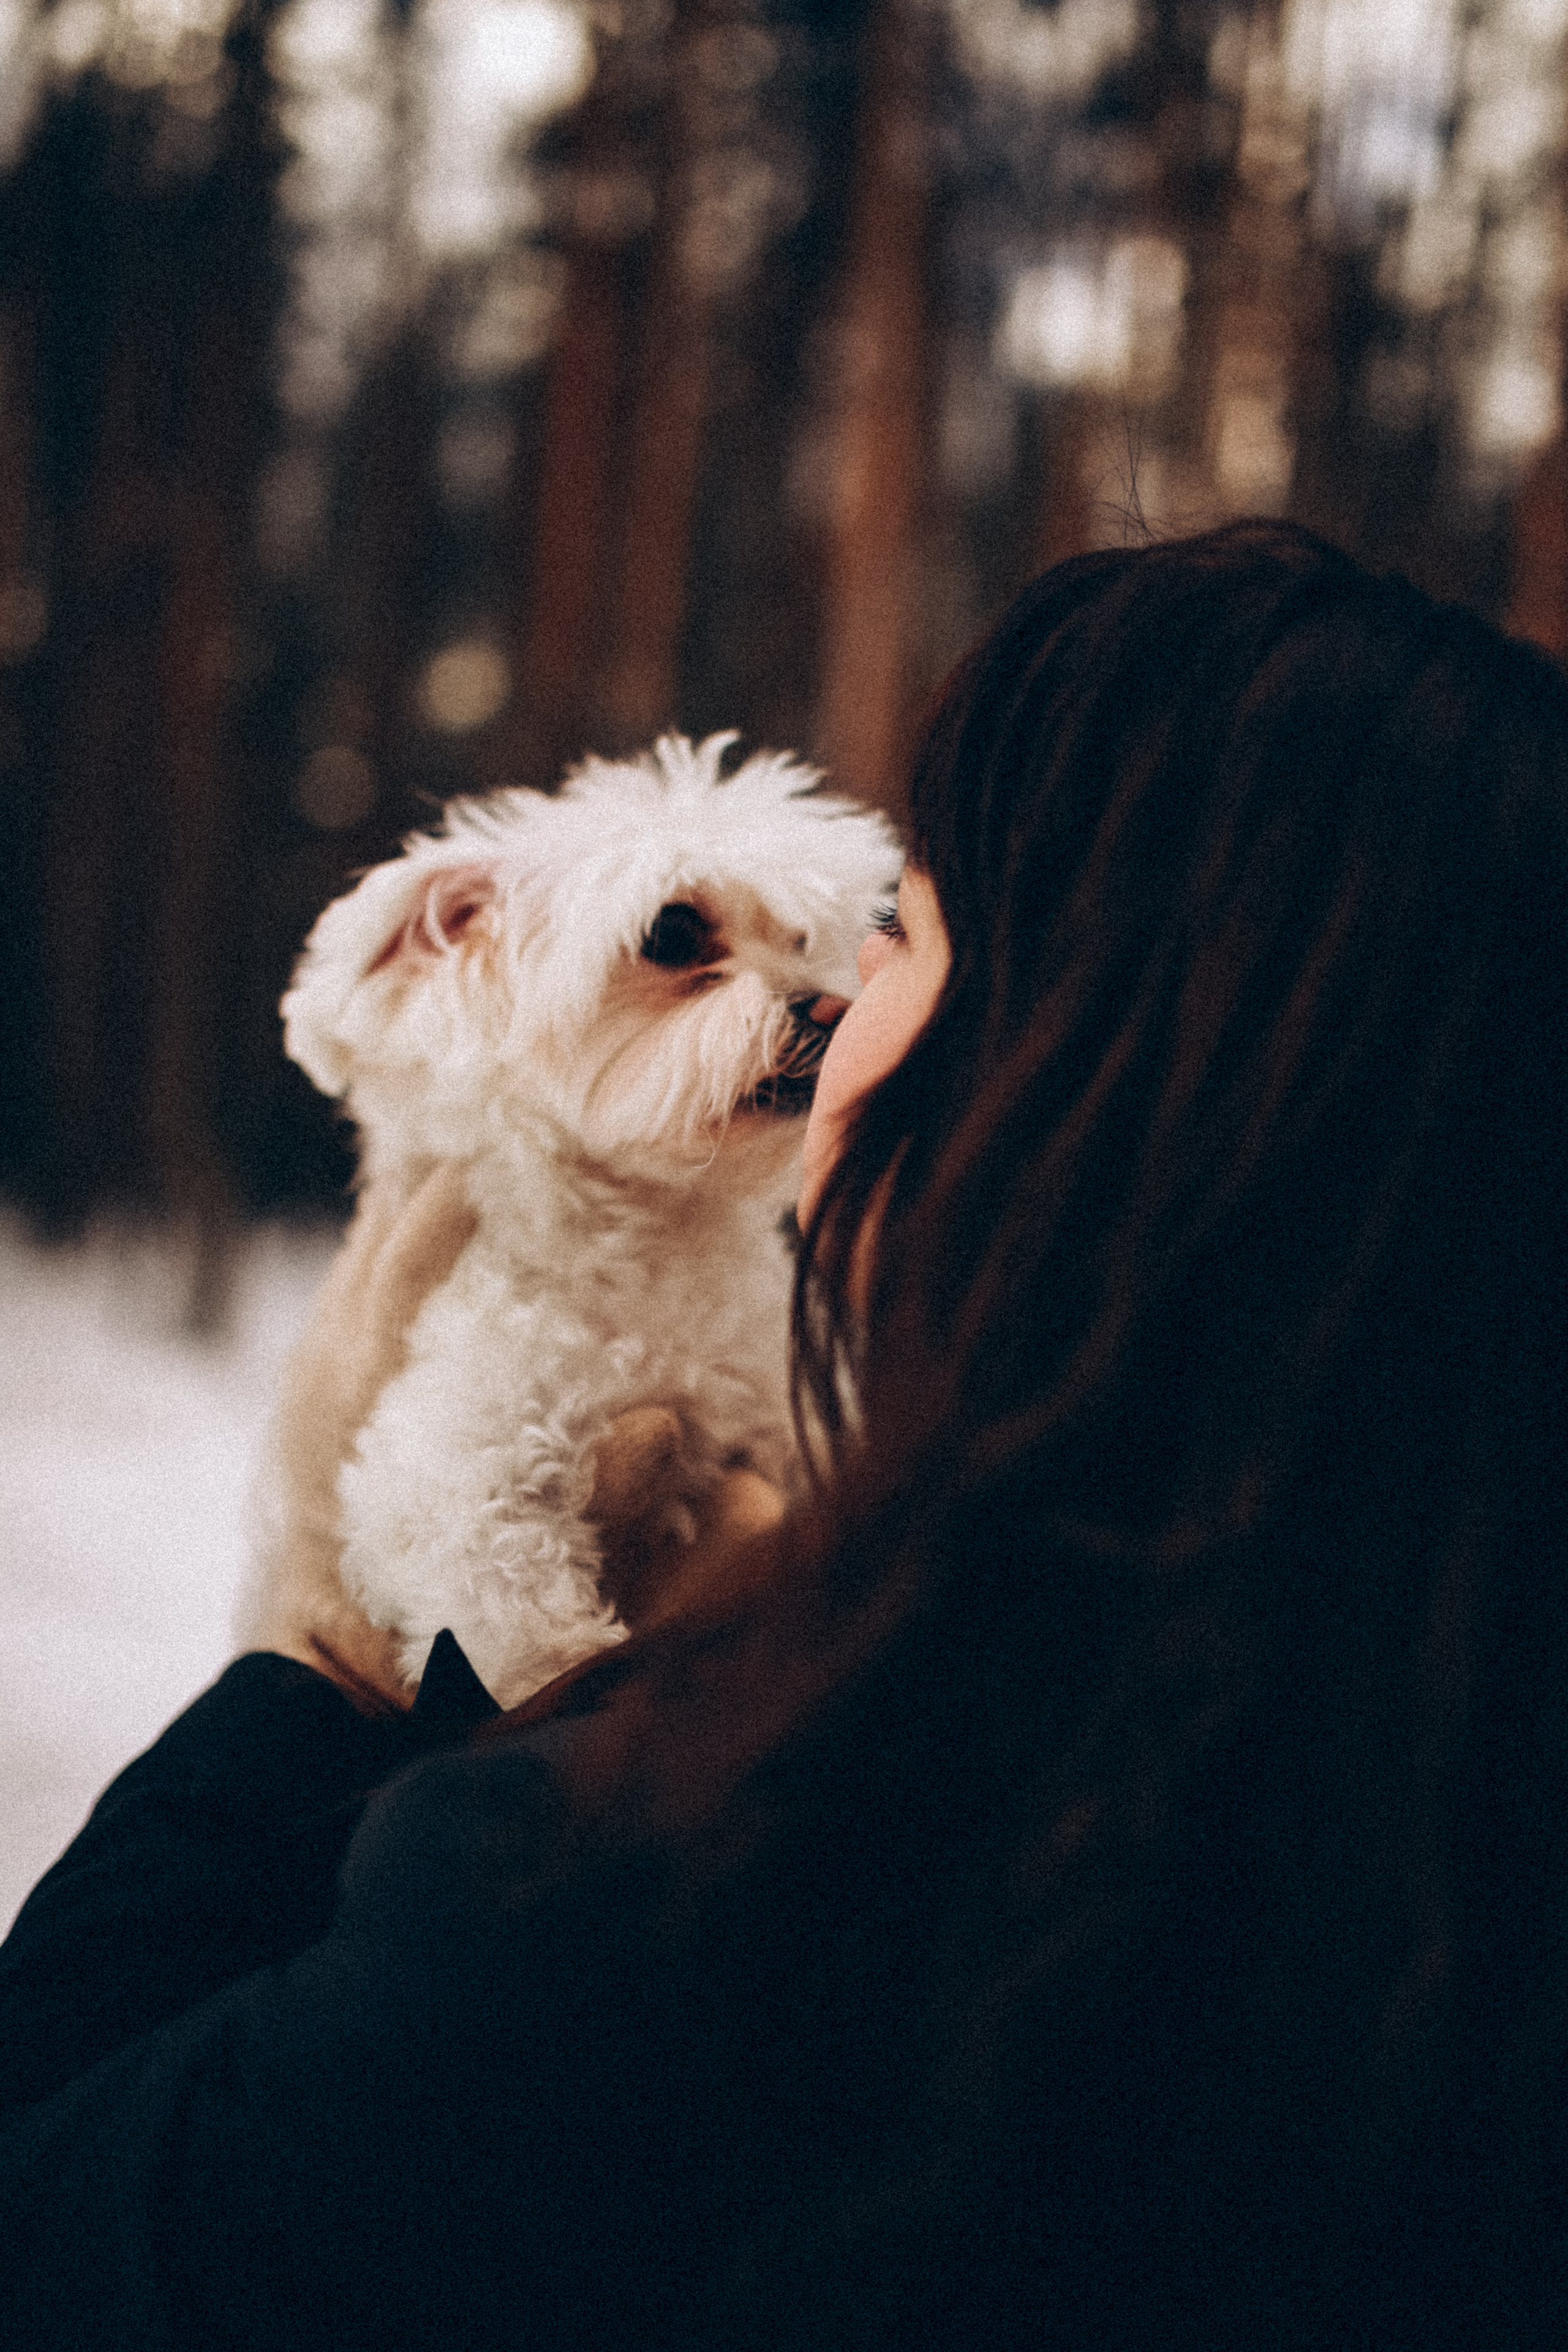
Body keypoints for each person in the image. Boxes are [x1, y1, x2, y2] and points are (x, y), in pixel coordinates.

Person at [2, 519, 1565, 2347]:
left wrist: (309, 1683)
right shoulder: (1463, 1827)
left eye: (899, 924)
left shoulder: (641, 1907)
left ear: (1091, 1082)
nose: (832, 1009)